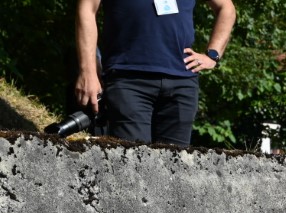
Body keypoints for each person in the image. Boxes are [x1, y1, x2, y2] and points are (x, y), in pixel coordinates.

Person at [75, 0, 236, 147]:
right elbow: (86, 9)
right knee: (132, 159)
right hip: (128, 79)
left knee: (176, 163)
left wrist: (212, 55)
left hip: (182, 82)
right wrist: (87, 72)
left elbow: (226, 8)